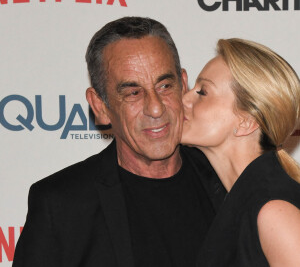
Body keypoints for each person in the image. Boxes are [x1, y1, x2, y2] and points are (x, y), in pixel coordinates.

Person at [13, 17, 225, 267]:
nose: (155, 108)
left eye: (165, 85)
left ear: (183, 85)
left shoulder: (228, 183)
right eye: (133, 93)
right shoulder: (62, 205)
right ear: (100, 107)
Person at [181, 38, 300, 267]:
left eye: (202, 92)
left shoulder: (273, 211)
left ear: (246, 121)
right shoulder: (240, 200)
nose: (185, 99)